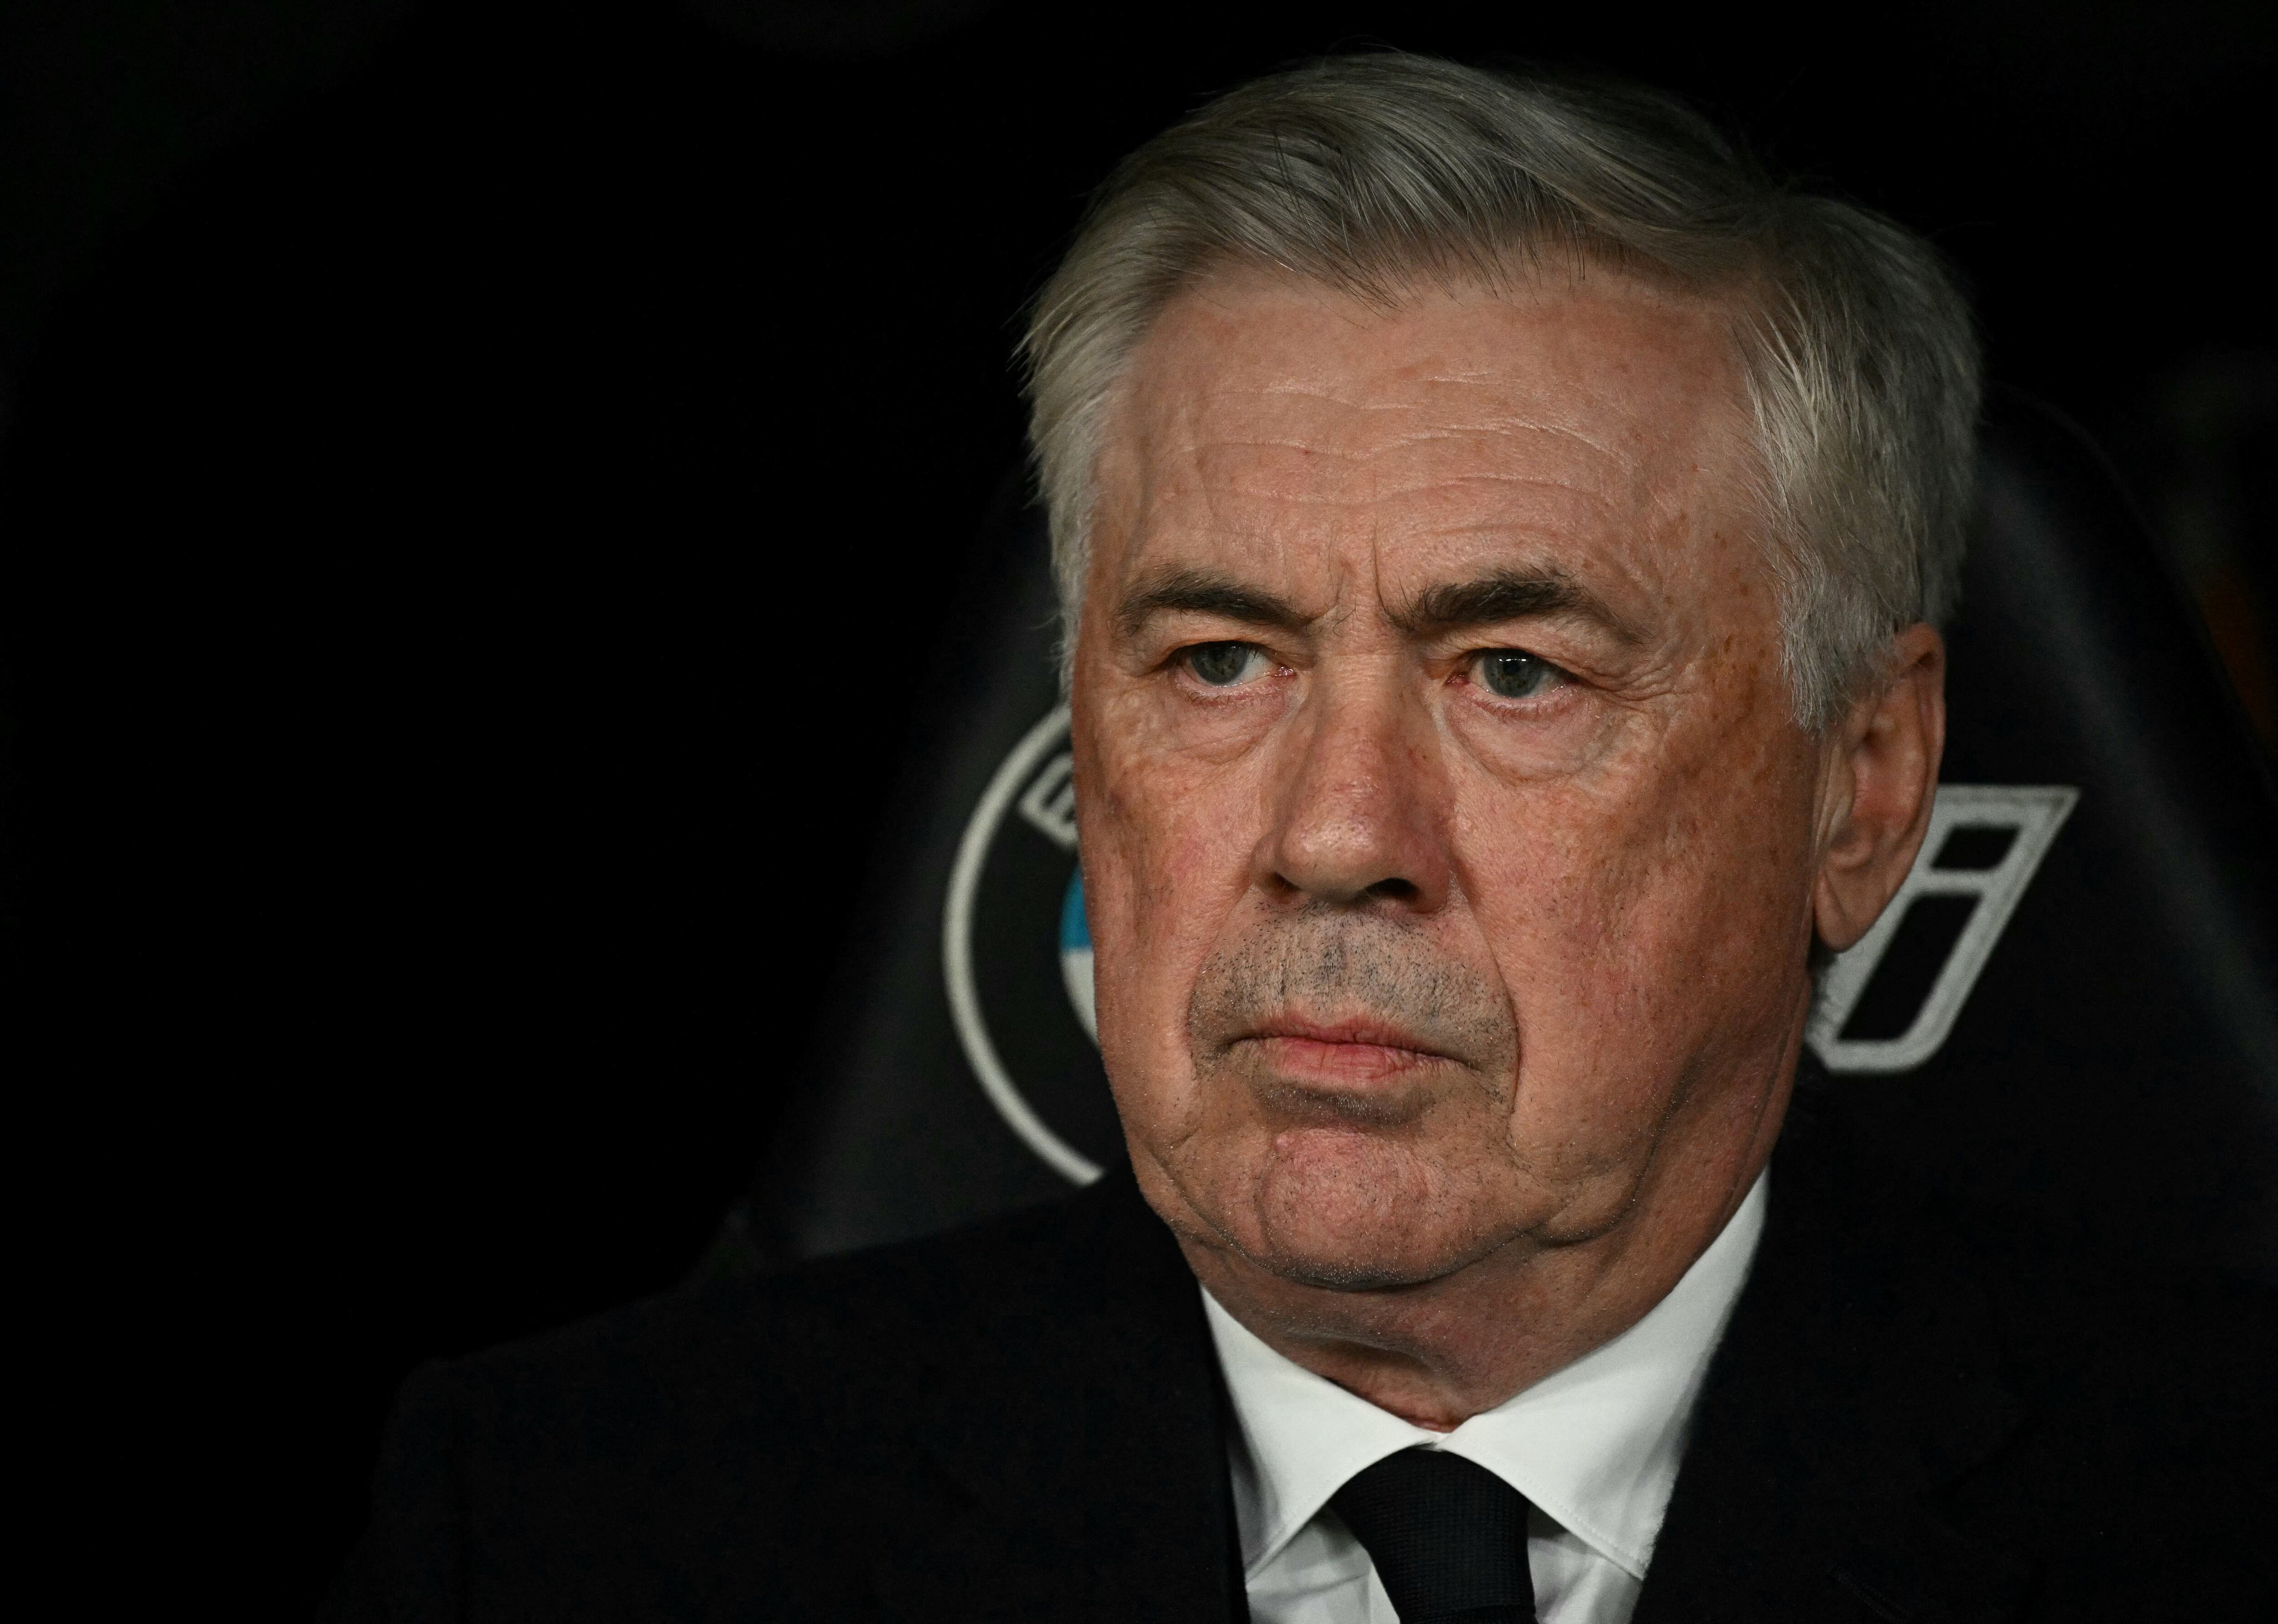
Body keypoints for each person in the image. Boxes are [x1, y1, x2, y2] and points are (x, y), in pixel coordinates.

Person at [323, 53, 2274, 1623]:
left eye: (1511, 669)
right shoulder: (573, 1527)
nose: (1336, 833)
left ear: (1858, 788)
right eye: (1220, 658)